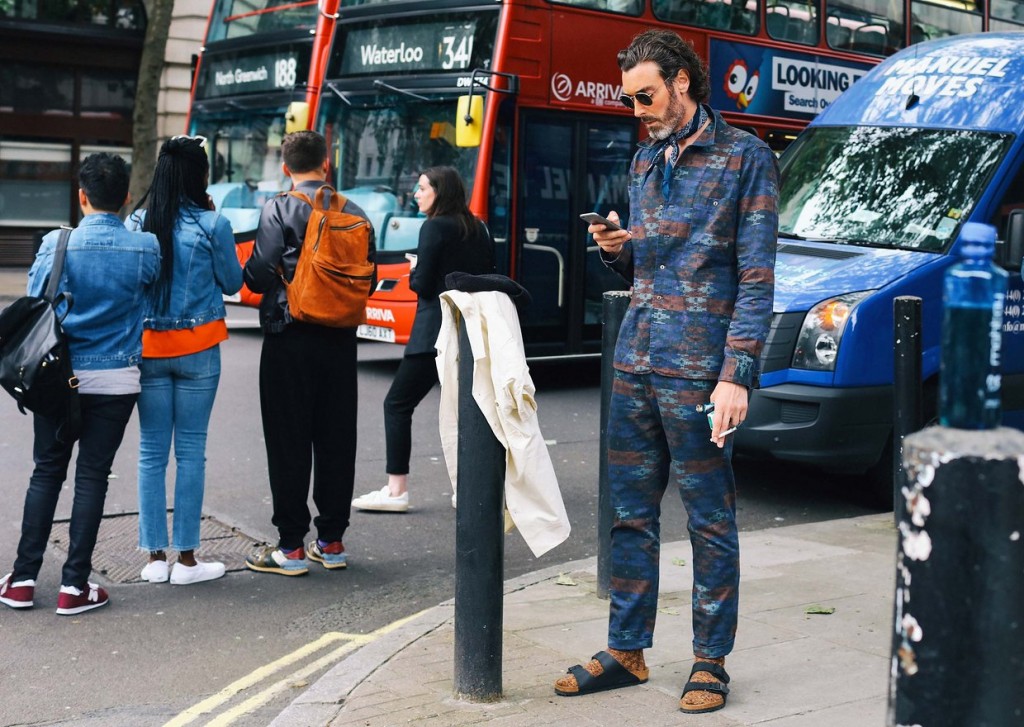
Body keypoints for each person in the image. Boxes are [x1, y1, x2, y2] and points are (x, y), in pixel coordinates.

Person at [552, 29, 779, 714]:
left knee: (709, 517)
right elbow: (651, 267)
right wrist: (620, 250)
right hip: (637, 361)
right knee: (628, 513)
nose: (635, 109)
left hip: (701, 371)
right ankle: (627, 648)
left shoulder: (748, 158)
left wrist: (736, 373)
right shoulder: (646, 160)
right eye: (629, 99)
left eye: (644, 95)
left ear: (682, 81)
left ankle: (710, 659)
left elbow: (756, 275)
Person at [0, 153, 160, 615]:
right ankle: (75, 586)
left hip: (56, 378)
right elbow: (150, 294)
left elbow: (35, 303)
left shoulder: (56, 243)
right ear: (127, 196)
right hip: (116, 379)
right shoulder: (146, 246)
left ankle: (23, 580)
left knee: (46, 471)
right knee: (93, 476)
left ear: (81, 196)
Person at [242, 130, 376, 575]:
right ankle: (332, 542)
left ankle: (291, 547)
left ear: (286, 168)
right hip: (339, 339)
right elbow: (367, 280)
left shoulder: (279, 207)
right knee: (337, 439)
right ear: (327, 165)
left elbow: (261, 274)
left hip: (289, 335)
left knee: (288, 441)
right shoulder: (354, 211)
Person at [127, 135, 243, 586]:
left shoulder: (138, 221)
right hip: (198, 349)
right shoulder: (213, 223)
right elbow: (232, 282)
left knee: (151, 453)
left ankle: (155, 559)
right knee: (191, 452)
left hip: (149, 348)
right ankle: (188, 561)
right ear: (200, 176)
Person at [351, 166, 495, 513]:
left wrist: (415, 269)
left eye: (422, 188)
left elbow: (424, 285)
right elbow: (489, 275)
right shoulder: (479, 228)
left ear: (439, 192)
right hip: (472, 329)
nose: (416, 194)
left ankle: (396, 489)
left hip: (433, 331)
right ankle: (474, 488)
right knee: (472, 411)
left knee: (397, 404)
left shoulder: (433, 227)